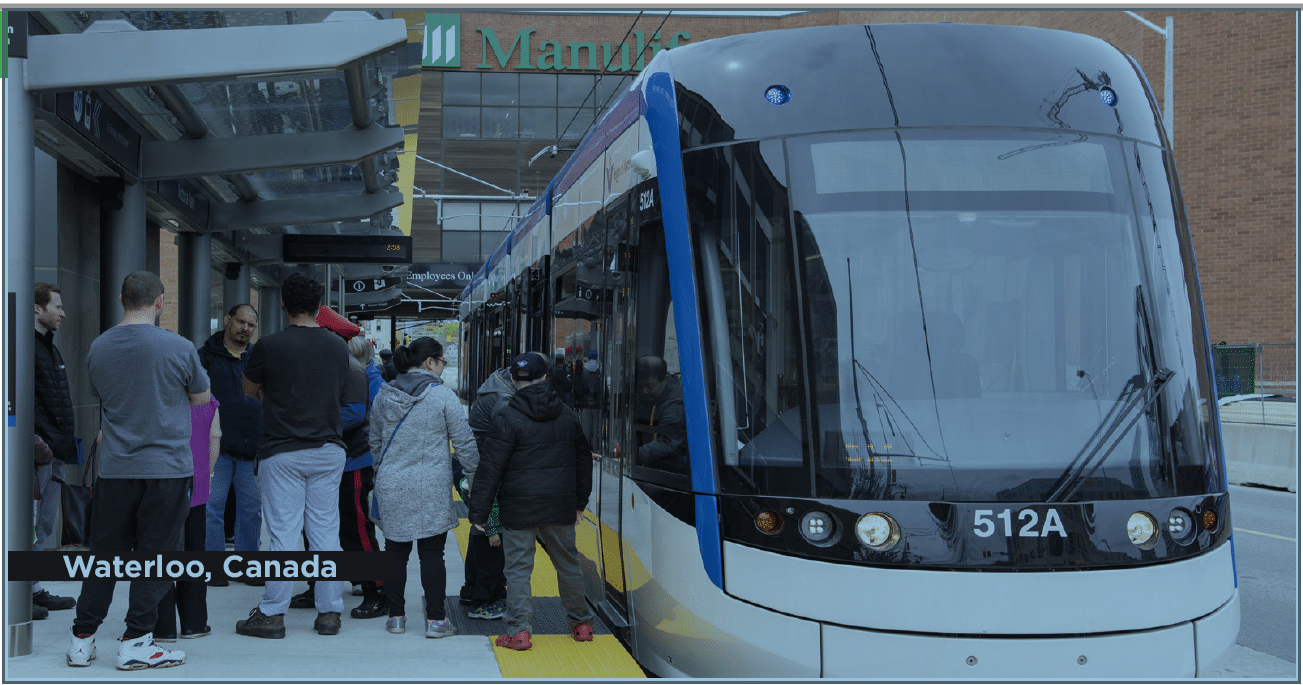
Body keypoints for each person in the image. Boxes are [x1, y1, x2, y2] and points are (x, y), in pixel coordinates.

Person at [67, 270, 211, 670]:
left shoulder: (99, 348)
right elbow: (201, 399)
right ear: (160, 301)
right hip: (166, 469)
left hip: (115, 469)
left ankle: (82, 639)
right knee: (157, 556)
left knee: (104, 556)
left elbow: (103, 397)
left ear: (121, 299)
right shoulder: (179, 347)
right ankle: (137, 641)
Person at [235, 273, 351, 639]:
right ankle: (329, 613)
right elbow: (341, 393)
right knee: (325, 532)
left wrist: (277, 395)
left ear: (283, 304)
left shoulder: (269, 345)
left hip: (282, 451)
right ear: (319, 307)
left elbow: (249, 389)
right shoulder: (337, 346)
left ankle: (272, 614)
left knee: (283, 534)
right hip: (328, 450)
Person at [468, 352, 596, 652]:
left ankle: (519, 632)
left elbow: (490, 468)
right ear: (546, 378)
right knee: (568, 564)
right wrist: (579, 503)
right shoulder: (566, 414)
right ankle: (582, 624)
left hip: (519, 508)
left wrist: (480, 513)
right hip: (559, 506)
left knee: (518, 570)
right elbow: (583, 462)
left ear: (513, 380)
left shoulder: (507, 416)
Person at [368, 337, 479, 639]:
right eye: (443, 361)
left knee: (395, 552)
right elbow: (465, 443)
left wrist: (384, 471)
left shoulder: (384, 393)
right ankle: (435, 621)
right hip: (430, 485)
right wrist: (474, 477)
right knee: (432, 554)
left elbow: (375, 442)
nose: (444, 367)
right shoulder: (443, 396)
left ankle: (396, 618)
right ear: (430, 363)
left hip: (392, 483)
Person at [289, 326, 386, 618]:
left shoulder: (363, 376)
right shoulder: (334, 369)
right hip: (325, 460)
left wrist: (312, 423)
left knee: (353, 528)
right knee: (315, 527)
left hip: (352, 461)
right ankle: (318, 584)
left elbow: (356, 414)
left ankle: (376, 589)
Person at [199, 304, 263, 585]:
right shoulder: (204, 358)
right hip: (216, 450)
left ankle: (247, 568)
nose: (245, 329)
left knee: (251, 511)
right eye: (240, 322)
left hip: (251, 451)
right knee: (212, 509)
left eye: (251, 325)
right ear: (227, 320)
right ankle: (214, 569)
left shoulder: (258, 358)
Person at [153, 395, 221, 641]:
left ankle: (163, 627)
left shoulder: (156, 395)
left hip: (160, 482)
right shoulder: (207, 399)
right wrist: (208, 473)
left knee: (159, 554)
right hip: (197, 482)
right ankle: (194, 624)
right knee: (194, 552)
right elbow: (215, 436)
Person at [32, 282, 78, 616]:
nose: (62, 313)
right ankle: (17, 596)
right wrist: (39, 442)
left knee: (43, 527)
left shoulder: (49, 347)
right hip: (37, 454)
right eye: (57, 306)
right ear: (37, 308)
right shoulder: (21, 347)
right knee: (29, 524)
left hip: (54, 451)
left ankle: (29, 589)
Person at [635, 355, 688, 472]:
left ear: (665, 380)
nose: (644, 391)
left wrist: (633, 454)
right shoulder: (646, 396)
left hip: (673, 468)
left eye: (650, 386)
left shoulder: (676, 405)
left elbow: (667, 442)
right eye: (640, 386)